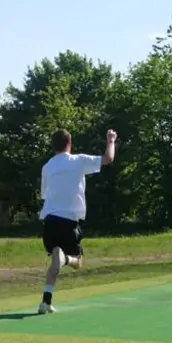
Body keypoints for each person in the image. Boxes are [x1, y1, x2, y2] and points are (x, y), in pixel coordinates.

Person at [37, 128, 118, 315]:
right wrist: (111, 140)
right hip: (69, 222)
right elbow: (108, 159)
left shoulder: (47, 167)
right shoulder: (78, 160)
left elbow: (44, 194)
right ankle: (65, 258)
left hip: (49, 222)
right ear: (70, 144)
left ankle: (45, 301)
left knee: (54, 263)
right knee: (78, 261)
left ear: (53, 146)